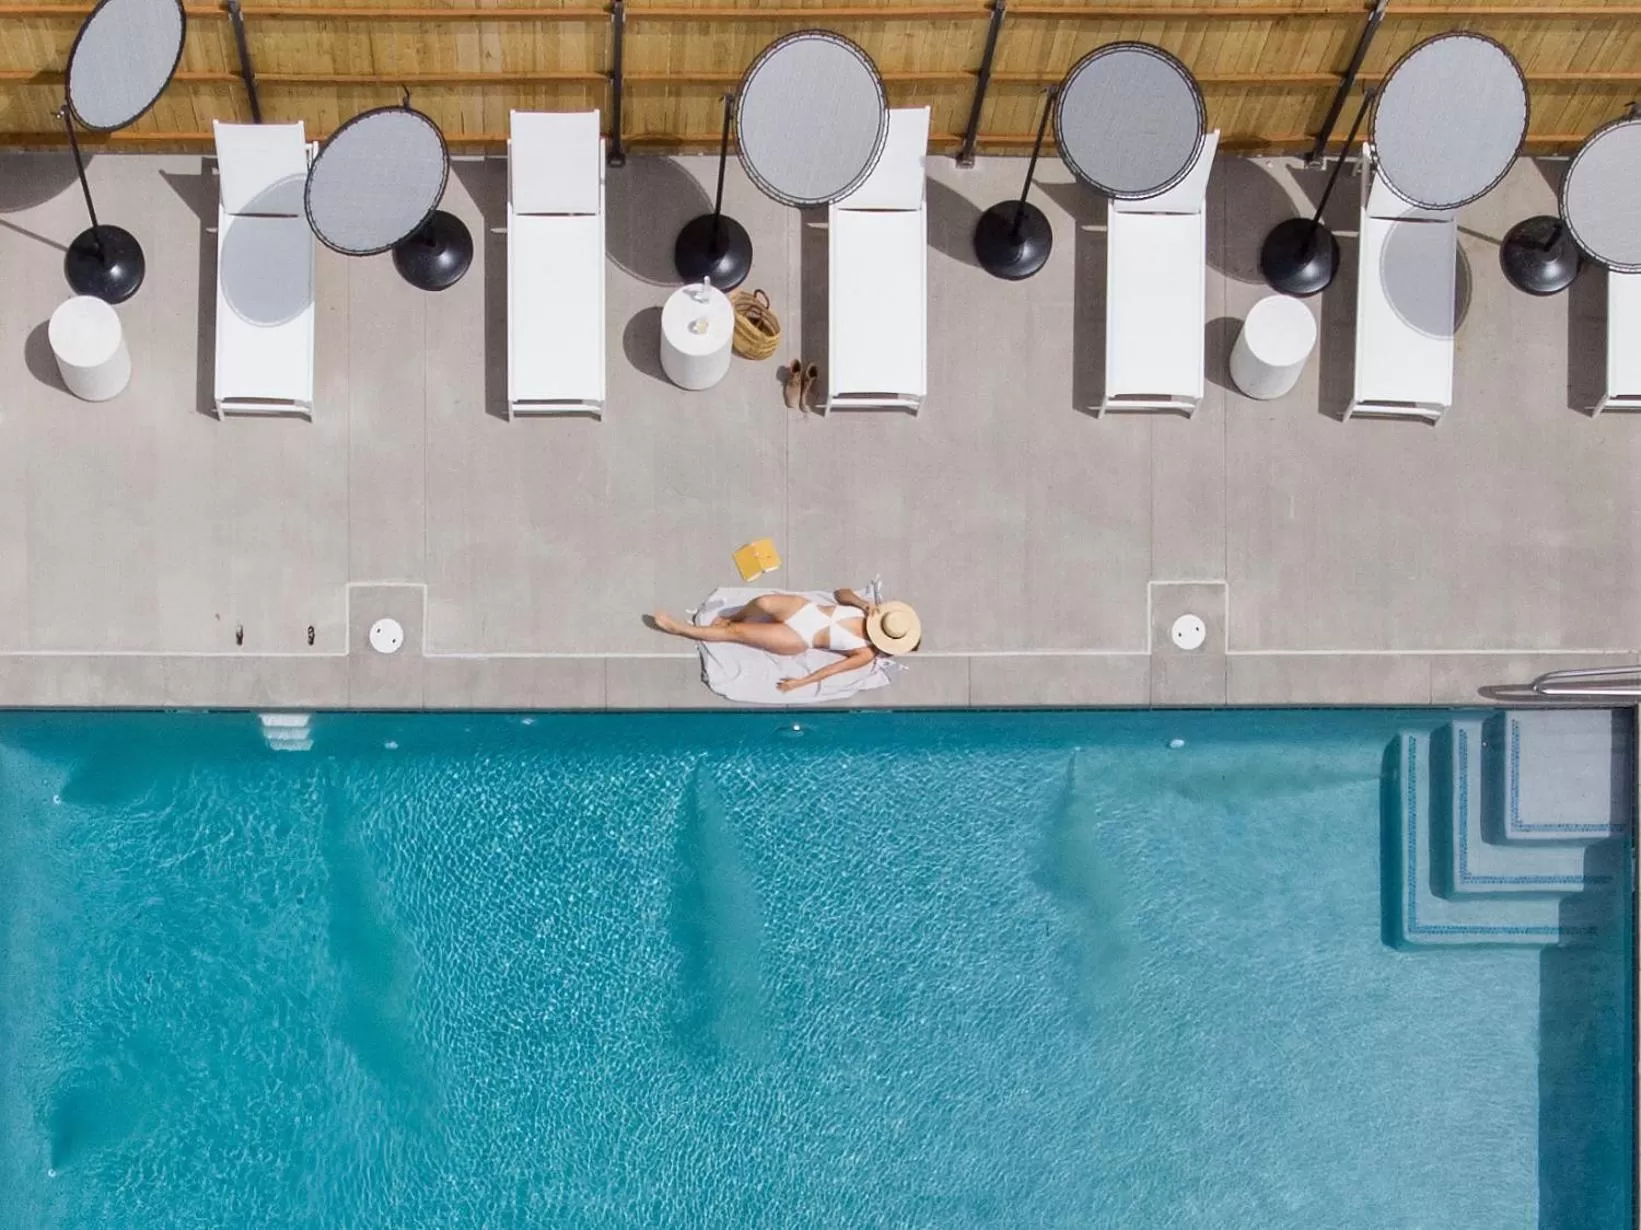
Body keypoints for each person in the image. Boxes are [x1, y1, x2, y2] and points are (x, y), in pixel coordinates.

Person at [650, 589, 922, 693]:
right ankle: (738, 617)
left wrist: (800, 682)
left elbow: (832, 670)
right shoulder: (870, 610)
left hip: (800, 638)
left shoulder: (865, 653)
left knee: (736, 635)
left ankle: (680, 629)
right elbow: (841, 592)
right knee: (764, 602)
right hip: (805, 610)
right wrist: (863, 603)